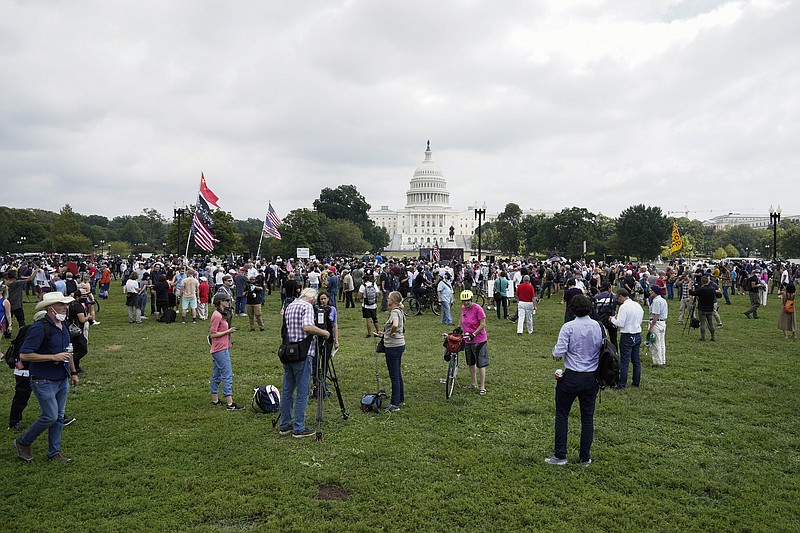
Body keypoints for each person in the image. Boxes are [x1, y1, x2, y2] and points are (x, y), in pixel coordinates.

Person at [13, 292, 80, 463]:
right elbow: (25, 355)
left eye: (66, 304)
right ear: (51, 308)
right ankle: (23, 441)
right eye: (61, 304)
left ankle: (54, 453)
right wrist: (53, 357)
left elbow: (68, 351)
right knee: (50, 416)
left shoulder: (62, 325)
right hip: (43, 379)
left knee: (59, 417)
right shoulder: (39, 327)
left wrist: (73, 372)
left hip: (61, 378)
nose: (66, 307)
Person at [546, 294, 602, 466]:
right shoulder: (597, 326)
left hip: (572, 376)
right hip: (592, 377)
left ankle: (560, 455)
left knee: (562, 415)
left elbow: (558, 352)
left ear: (572, 309)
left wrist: (555, 353)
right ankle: (585, 457)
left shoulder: (568, 327)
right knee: (587, 417)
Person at [278, 288, 330, 438]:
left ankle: (285, 424)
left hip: (288, 351)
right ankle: (299, 427)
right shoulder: (306, 306)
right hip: (303, 352)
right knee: (302, 391)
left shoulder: (291, 305)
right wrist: (324, 333)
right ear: (312, 298)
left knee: (288, 389)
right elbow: (306, 327)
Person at [208, 292, 244, 410]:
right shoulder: (217, 315)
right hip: (219, 349)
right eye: (226, 300)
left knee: (217, 374)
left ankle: (215, 399)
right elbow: (213, 334)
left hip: (221, 347)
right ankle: (230, 403)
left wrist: (228, 341)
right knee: (227, 374)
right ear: (220, 302)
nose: (228, 302)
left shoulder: (221, 314)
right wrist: (228, 331)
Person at [378, 291, 405, 412]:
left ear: (393, 301)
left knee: (394, 375)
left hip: (393, 346)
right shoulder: (400, 311)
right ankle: (400, 398)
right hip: (400, 344)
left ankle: (394, 404)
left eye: (388, 298)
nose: (387, 300)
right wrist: (385, 334)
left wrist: (391, 332)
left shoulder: (394, 312)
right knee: (398, 374)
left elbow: (395, 325)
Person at [610, 289, 643, 389]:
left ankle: (622, 383)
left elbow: (620, 323)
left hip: (627, 335)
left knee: (624, 360)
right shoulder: (637, 305)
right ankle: (636, 382)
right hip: (637, 333)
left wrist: (612, 319)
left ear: (621, 296)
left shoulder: (623, 307)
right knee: (636, 360)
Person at [458, 290, 489, 396]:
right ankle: (474, 383)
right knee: (470, 362)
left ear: (471, 300)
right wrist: (459, 328)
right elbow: (462, 318)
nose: (466, 303)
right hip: (467, 340)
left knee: (480, 364)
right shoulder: (463, 309)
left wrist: (474, 334)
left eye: (468, 301)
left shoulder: (477, 309)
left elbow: (483, 324)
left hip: (479, 340)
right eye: (464, 301)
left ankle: (482, 386)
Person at [690, 276, 721, 342]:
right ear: (708, 281)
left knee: (703, 323)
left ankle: (703, 337)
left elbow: (692, 293)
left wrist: (690, 287)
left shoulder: (701, 289)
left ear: (702, 282)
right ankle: (713, 337)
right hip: (710, 308)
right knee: (711, 323)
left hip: (702, 309)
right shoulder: (712, 289)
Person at [647, 285, 668, 366]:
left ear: (655, 292)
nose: (650, 292)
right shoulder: (663, 300)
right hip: (662, 323)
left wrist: (651, 326)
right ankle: (663, 360)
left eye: (651, 291)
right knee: (662, 343)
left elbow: (656, 315)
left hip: (656, 323)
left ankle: (657, 362)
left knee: (655, 343)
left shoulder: (656, 301)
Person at [358, 273, 381, 338]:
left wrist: (363, 296)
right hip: (373, 305)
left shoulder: (363, 286)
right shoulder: (374, 284)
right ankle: (378, 331)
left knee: (368, 320)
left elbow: (359, 296)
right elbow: (378, 294)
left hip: (366, 305)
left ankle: (369, 333)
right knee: (375, 319)